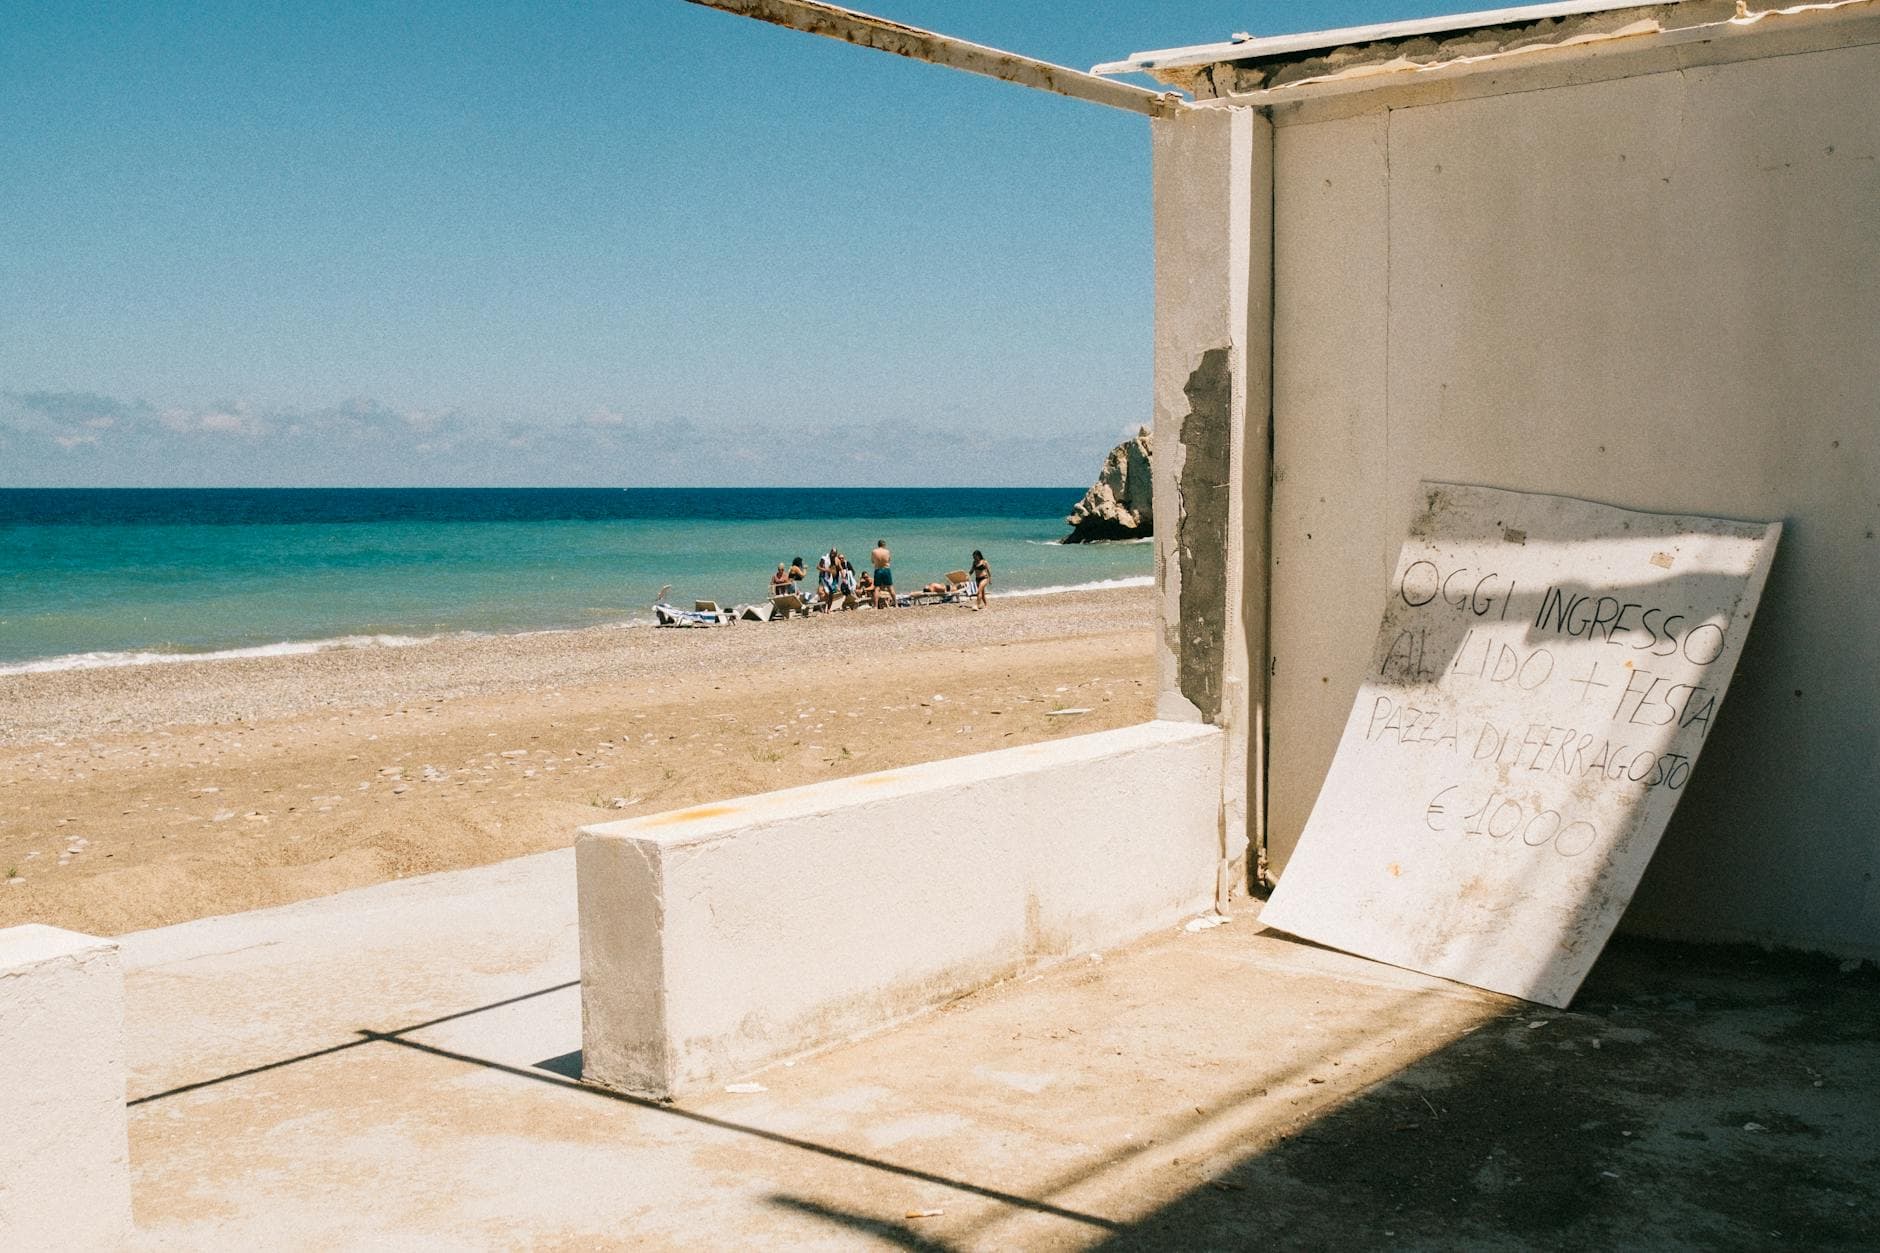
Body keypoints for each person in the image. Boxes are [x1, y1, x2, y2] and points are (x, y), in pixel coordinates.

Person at [871, 538, 894, 608]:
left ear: (878, 545)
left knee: (877, 588)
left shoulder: (874, 551)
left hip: (878, 569)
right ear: (884, 545)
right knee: (890, 587)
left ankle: (875, 606)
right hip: (886, 569)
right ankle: (896, 604)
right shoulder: (887, 551)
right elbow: (889, 560)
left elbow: (872, 561)